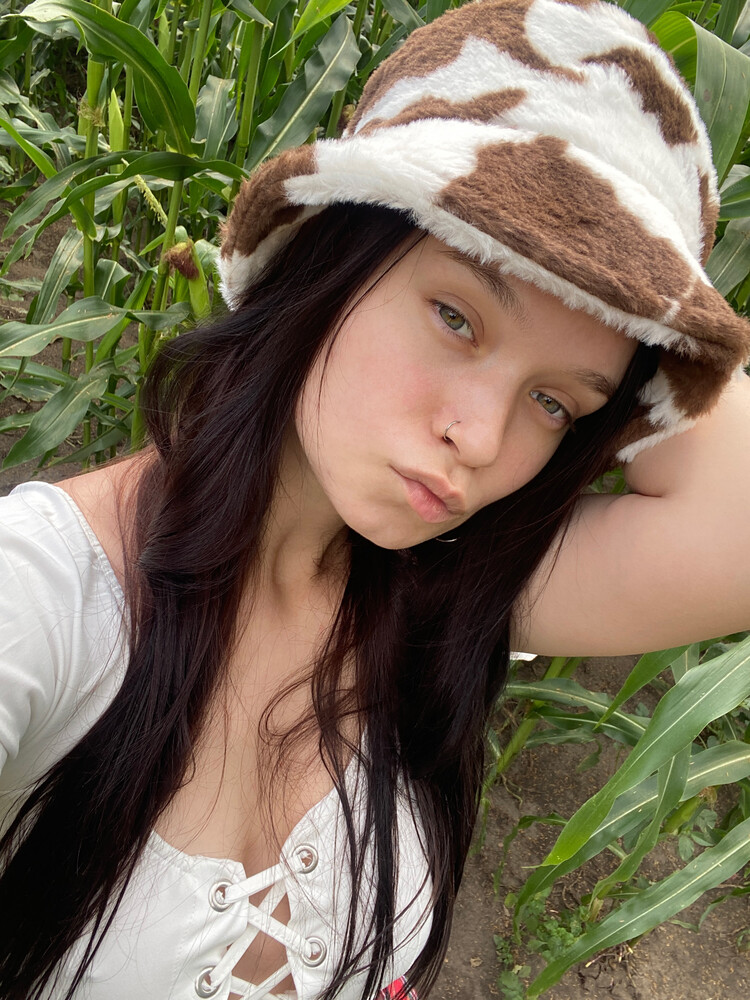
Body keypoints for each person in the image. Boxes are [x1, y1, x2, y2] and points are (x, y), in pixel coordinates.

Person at [1, 1, 749, 998]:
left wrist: (645, 260)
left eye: (554, 403)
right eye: (456, 317)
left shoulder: (445, 595)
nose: (482, 440)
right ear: (326, 251)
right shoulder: (46, 599)